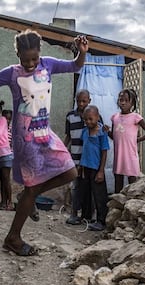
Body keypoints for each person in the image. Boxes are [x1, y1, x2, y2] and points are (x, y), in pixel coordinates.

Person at [0, 29, 88, 256]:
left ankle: (26, 197)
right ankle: (13, 237)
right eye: (26, 59)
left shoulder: (48, 64)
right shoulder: (12, 73)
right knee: (33, 188)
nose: (31, 63)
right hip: (26, 140)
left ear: (40, 52)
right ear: (18, 55)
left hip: (45, 133)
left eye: (34, 58)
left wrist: (81, 53)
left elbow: (75, 66)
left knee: (70, 172)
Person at [104, 88, 145, 193]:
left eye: (126, 100)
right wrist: (107, 132)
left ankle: (131, 204)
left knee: (132, 182)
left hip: (130, 155)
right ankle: (117, 205)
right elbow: (115, 137)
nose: (123, 103)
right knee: (118, 180)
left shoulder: (135, 117)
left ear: (132, 103)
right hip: (119, 156)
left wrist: (137, 140)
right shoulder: (115, 118)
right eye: (121, 100)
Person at [79, 105, 109, 231]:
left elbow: (104, 152)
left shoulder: (102, 132)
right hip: (86, 166)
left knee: (99, 195)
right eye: (86, 119)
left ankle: (101, 220)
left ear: (97, 117)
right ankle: (87, 217)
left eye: (91, 119)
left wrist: (101, 171)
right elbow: (84, 148)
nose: (88, 122)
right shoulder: (85, 131)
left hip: (97, 168)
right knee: (85, 192)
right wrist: (80, 165)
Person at [64, 89, 91, 225]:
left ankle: (87, 215)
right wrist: (62, 151)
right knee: (75, 186)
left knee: (87, 186)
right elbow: (68, 136)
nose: (81, 104)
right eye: (78, 101)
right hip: (75, 157)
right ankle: (74, 214)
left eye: (84, 101)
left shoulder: (93, 116)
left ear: (89, 101)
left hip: (89, 160)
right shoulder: (70, 116)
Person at [0, 109, 13, 210]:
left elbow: (13, 143)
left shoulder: (11, 129)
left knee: (6, 178)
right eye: (5, 119)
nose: (7, 121)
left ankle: (9, 201)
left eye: (9, 119)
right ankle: (3, 201)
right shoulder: (0, 129)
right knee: (2, 179)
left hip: (8, 155)